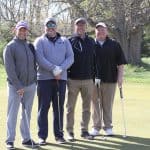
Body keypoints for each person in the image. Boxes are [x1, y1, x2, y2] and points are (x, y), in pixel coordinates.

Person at [34, 17, 74, 145]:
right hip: (44, 80)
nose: (50, 29)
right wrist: (54, 69)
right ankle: (42, 136)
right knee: (43, 108)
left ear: (56, 27)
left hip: (60, 80)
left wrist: (60, 69)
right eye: (48, 27)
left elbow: (70, 57)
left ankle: (59, 135)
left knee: (59, 108)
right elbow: (40, 58)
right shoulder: (39, 41)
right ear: (44, 28)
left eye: (52, 27)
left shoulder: (64, 41)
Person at [3, 21, 38, 149]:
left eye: (25, 30)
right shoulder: (10, 47)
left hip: (30, 85)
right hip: (15, 87)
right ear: (15, 30)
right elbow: (9, 69)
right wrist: (19, 86)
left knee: (26, 113)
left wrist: (34, 81)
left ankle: (26, 139)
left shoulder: (30, 46)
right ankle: (10, 140)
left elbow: (35, 64)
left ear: (27, 31)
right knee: (12, 113)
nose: (23, 32)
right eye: (20, 30)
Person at [90, 22, 127, 136]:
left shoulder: (114, 44)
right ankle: (96, 127)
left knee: (107, 104)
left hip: (110, 79)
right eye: (98, 30)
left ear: (106, 31)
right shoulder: (91, 44)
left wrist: (120, 77)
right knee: (95, 105)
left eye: (103, 29)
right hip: (93, 80)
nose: (100, 31)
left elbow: (120, 63)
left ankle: (108, 127)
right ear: (95, 31)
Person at [66, 17, 95, 141]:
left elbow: (95, 60)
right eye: (78, 25)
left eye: (83, 25)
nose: (80, 27)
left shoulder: (91, 41)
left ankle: (84, 131)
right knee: (70, 107)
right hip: (73, 79)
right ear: (75, 27)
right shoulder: (69, 41)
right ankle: (70, 132)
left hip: (88, 79)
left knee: (87, 107)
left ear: (86, 27)